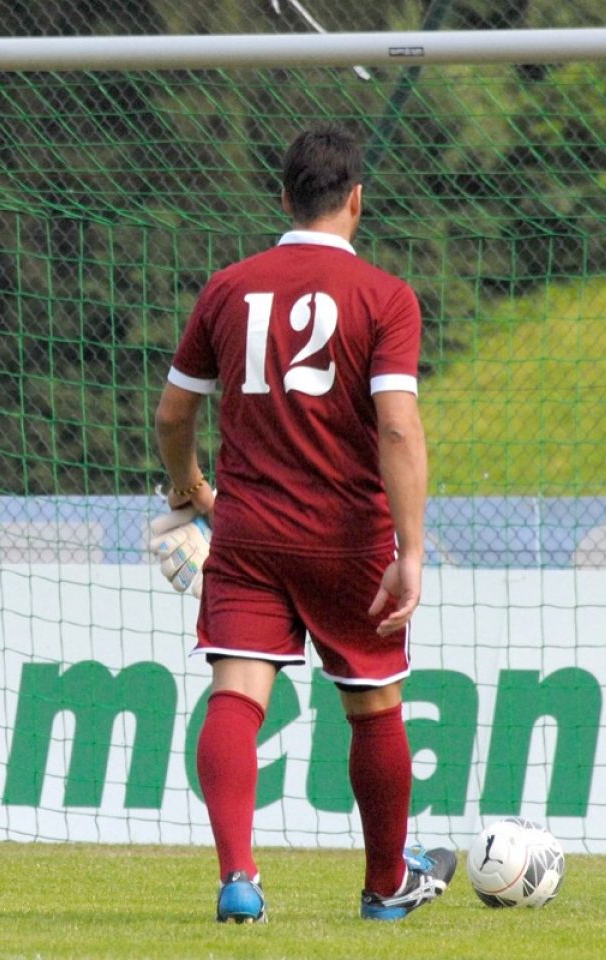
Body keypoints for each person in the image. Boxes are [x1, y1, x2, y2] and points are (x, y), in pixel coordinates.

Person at [152, 123, 453, 922]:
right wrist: (412, 550)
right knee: (374, 705)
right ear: (357, 200)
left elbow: (174, 412)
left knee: (236, 696)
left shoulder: (229, 286)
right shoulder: (386, 297)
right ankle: (388, 885)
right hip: (348, 538)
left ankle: (238, 880)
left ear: (282, 198)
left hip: (247, 534)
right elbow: (397, 427)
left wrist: (189, 494)